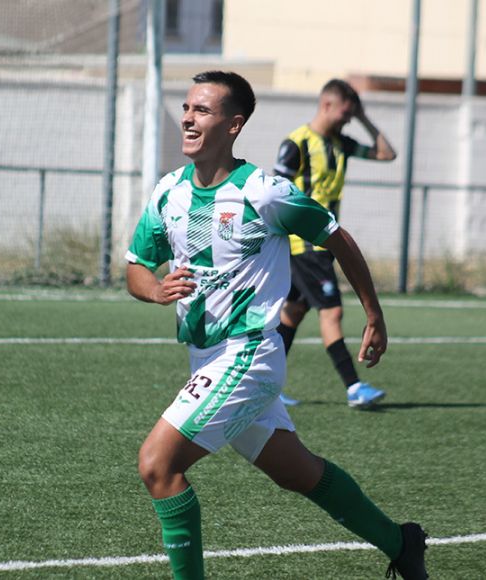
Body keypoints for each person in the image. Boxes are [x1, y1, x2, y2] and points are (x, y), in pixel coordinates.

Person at [125, 70, 427, 580]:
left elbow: (337, 238)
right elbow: (136, 264)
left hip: (248, 355)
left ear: (234, 125)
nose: (187, 118)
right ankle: (402, 543)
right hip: (206, 356)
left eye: (202, 110)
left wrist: (374, 314)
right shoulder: (168, 192)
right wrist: (154, 288)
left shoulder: (263, 192)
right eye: (186, 108)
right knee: (300, 473)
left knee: (158, 464)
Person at [273, 79, 398, 409]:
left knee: (292, 313)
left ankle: (265, 387)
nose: (347, 119)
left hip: (323, 243)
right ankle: (354, 387)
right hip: (305, 243)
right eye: (345, 112)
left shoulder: (341, 143)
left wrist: (363, 117)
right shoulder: (296, 143)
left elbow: (387, 153)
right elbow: (275, 196)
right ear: (326, 105)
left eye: (351, 115)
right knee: (332, 311)